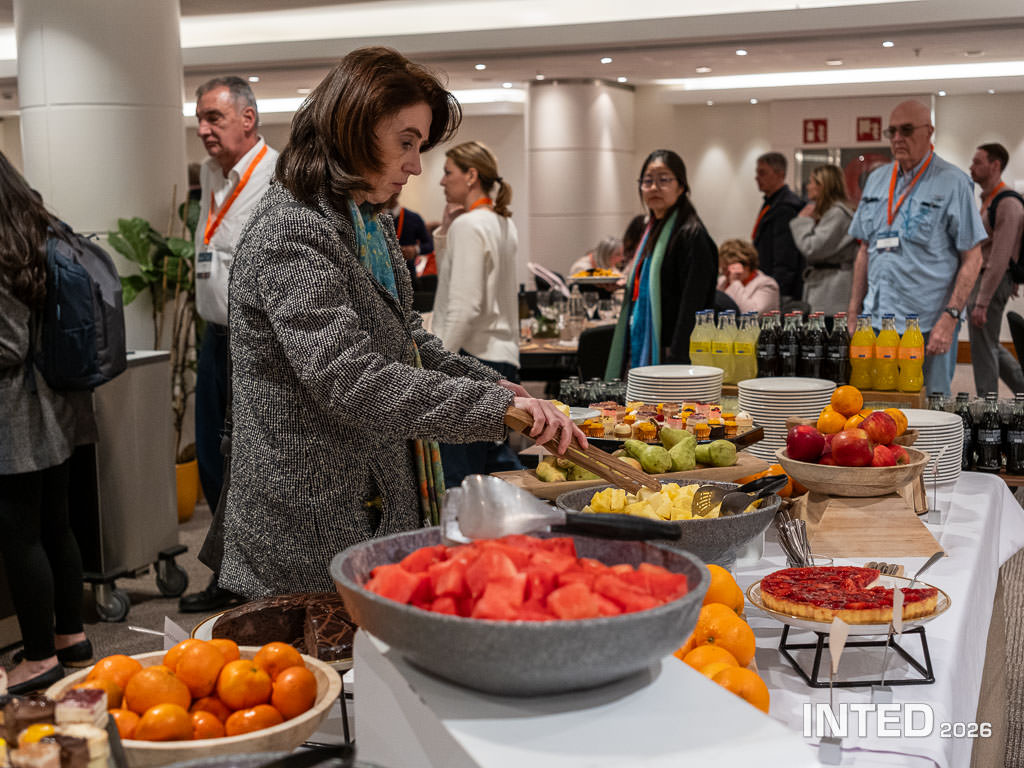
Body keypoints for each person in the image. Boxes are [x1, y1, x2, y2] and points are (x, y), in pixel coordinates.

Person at [219, 47, 584, 597]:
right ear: (353, 129)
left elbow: (407, 339)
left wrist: (492, 386)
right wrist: (491, 407)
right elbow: (349, 378)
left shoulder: (364, 220)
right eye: (406, 142)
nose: (416, 166)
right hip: (308, 526)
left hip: (363, 507)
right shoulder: (293, 229)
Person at [179, 76, 278, 613]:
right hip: (212, 339)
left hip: (254, 344)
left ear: (248, 118)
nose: (203, 129)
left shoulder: (276, 175)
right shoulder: (209, 172)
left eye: (214, 118)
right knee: (213, 462)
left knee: (249, 461)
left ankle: (254, 578)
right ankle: (225, 574)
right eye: (200, 118)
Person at [0, 152, 95, 693]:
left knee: (20, 535)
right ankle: (69, 637)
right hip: (58, 402)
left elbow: (8, 344)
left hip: (17, 411)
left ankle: (38, 658)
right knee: (57, 524)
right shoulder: (36, 223)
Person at [848, 100, 986, 397]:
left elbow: (973, 258)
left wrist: (950, 318)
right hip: (876, 321)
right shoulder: (877, 180)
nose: (898, 138)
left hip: (926, 323)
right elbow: (864, 250)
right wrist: (853, 313)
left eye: (907, 130)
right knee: (876, 403)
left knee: (932, 408)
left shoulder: (953, 182)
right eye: (892, 131)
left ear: (928, 132)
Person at [432, 141, 523, 487]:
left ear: (471, 176)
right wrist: (445, 231)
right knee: (491, 463)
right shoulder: (502, 223)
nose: (442, 181)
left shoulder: (470, 226)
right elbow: (455, 282)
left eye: (448, 172)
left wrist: (436, 362)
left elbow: (463, 306)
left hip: (471, 357)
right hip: (501, 355)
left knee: (461, 476)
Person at [605, 149, 717, 376]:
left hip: (675, 352)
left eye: (663, 180)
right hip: (648, 342)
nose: (654, 187)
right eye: (647, 181)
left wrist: (677, 360)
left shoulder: (691, 235)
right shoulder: (650, 230)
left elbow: (692, 306)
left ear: (681, 186)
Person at [967, 142, 1024, 395]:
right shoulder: (989, 200)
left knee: (984, 349)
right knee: (987, 344)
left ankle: (986, 404)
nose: (972, 167)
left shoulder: (1007, 202)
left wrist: (982, 302)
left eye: (977, 162)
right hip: (984, 281)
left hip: (990, 282)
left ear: (995, 165)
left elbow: (1001, 256)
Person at [790, 164, 858, 316]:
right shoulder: (833, 213)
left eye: (811, 182)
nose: (808, 187)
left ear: (822, 185)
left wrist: (802, 221)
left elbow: (812, 248)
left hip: (832, 291)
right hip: (827, 286)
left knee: (827, 330)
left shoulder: (837, 214)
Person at [753, 152, 804, 303]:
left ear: (780, 174)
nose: (757, 178)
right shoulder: (771, 202)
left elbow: (785, 257)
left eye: (762, 173)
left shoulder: (785, 207)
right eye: (757, 173)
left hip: (779, 288)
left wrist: (776, 291)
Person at [716, 238, 780, 315]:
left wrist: (735, 282)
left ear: (746, 265)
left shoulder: (767, 284)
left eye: (729, 269)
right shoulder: (722, 281)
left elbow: (753, 314)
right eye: (723, 268)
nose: (725, 273)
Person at [389, 197, 433, 290]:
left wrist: (415, 250)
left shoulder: (413, 218)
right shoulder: (373, 217)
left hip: (407, 276)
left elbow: (430, 245)